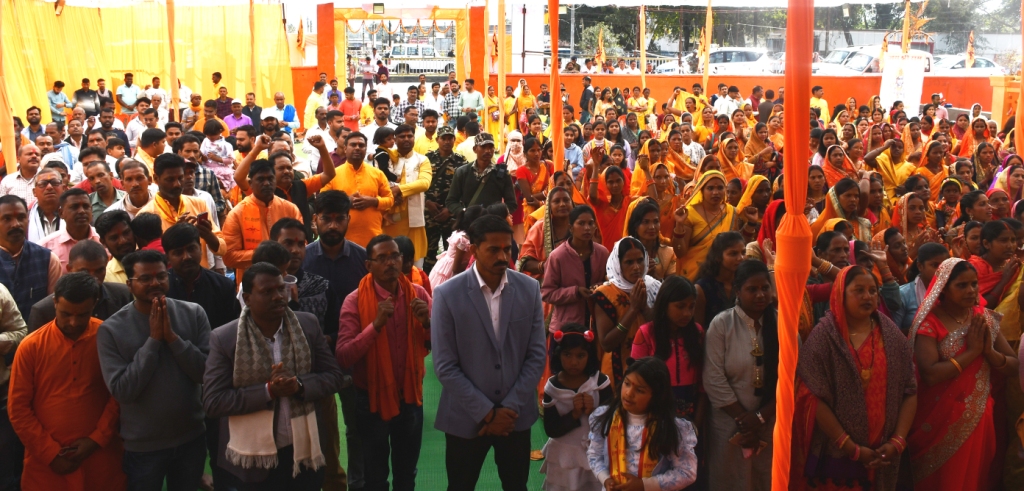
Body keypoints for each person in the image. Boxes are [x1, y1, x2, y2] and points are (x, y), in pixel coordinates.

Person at [203, 262, 346, 490]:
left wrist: (299, 385)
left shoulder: (307, 325)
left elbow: (334, 377)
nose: (278, 296)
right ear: (247, 298)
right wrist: (268, 391)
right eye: (267, 291)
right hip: (253, 463)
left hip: (304, 456)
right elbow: (214, 402)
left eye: (281, 289)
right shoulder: (225, 338)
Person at [431, 214, 546, 490]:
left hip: (514, 418)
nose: (502, 257)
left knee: (516, 486)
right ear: (474, 249)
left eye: (507, 249)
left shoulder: (529, 289)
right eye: (493, 249)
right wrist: (488, 414)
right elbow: (445, 365)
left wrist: (508, 409)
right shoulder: (447, 294)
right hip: (465, 416)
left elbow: (536, 355)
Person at [790, 265, 918, 491]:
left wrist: (897, 441)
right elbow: (811, 396)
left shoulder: (892, 336)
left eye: (872, 291)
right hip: (836, 454)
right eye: (859, 290)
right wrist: (850, 447)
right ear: (841, 293)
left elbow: (910, 390)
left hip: (884, 451)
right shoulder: (824, 338)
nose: (867, 296)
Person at [97, 250, 211, 491]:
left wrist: (173, 339)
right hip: (143, 446)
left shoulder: (193, 313)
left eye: (161, 276)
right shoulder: (111, 330)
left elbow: (205, 374)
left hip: (191, 437)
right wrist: (153, 342)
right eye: (145, 278)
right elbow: (123, 391)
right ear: (129, 284)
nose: (155, 283)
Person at [907, 258, 1019, 490]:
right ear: (943, 289)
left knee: (974, 479)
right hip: (937, 420)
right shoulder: (930, 323)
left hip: (978, 417)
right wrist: (972, 353)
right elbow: (930, 374)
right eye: (962, 285)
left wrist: (989, 353)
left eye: (974, 284)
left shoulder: (984, 318)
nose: (971, 290)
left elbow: (1013, 366)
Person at [8, 273, 127, 490]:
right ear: (55, 302)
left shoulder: (108, 337)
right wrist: (50, 454)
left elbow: (118, 395)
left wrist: (96, 439)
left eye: (82, 315)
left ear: (94, 304)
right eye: (66, 314)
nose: (73, 322)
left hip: (101, 459)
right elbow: (18, 409)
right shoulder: (31, 346)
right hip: (45, 466)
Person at [336, 234, 431, 491]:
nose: (390, 263)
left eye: (395, 256)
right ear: (369, 265)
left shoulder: (418, 294)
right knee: (375, 478)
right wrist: (375, 326)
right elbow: (344, 355)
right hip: (371, 400)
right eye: (382, 258)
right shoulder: (355, 301)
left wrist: (428, 323)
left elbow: (441, 343)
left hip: (410, 397)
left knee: (406, 475)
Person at [703, 260, 778, 490]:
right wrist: (745, 421)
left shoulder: (783, 324)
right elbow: (713, 379)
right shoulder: (721, 325)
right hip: (728, 425)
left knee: (766, 480)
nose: (760, 295)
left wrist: (760, 417)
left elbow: (792, 380)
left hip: (771, 423)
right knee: (729, 481)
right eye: (752, 289)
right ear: (737, 291)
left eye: (765, 288)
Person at [586, 357, 699, 490]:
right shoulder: (605, 417)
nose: (629, 393)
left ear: (657, 396)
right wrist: (606, 479)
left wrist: (644, 485)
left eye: (639, 390)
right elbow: (594, 455)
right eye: (627, 384)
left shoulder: (672, 427)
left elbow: (686, 472)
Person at [540, 322, 611, 491]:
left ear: (589, 355)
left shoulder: (600, 383)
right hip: (564, 456)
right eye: (567, 354)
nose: (573, 362)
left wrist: (594, 411)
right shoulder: (552, 387)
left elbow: (612, 422)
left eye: (581, 355)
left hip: (596, 454)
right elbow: (551, 429)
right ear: (558, 354)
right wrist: (573, 415)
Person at [222, 158, 303, 282]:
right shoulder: (237, 213)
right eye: (260, 179)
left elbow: (302, 244)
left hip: (287, 280)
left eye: (270, 179)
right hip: (252, 285)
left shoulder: (290, 209)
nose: (266, 183)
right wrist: (266, 254)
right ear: (250, 183)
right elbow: (229, 257)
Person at [138, 154, 225, 268]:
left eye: (180, 178)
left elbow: (222, 248)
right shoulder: (146, 215)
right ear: (156, 179)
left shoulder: (199, 204)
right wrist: (174, 235)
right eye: (170, 180)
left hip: (199, 274)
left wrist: (208, 235)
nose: (177, 184)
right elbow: (145, 261)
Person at [594, 237, 660, 387]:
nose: (636, 267)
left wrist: (644, 307)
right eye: (629, 262)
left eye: (640, 260)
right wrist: (633, 310)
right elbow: (606, 344)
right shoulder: (605, 294)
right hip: (617, 368)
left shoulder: (653, 287)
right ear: (618, 265)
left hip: (651, 366)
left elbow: (661, 328)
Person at [28, 240, 132, 332]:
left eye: (99, 270)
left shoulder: (123, 296)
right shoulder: (43, 311)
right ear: (69, 269)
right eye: (84, 271)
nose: (93, 277)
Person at [321, 132, 394, 248]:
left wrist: (373, 201)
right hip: (341, 240)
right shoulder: (333, 175)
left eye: (361, 145)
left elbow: (390, 200)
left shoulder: (377, 174)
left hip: (373, 239)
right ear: (345, 148)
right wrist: (346, 202)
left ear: (366, 149)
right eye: (353, 145)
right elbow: (322, 203)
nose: (357, 148)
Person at [0, 195, 63, 317]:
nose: (16, 224)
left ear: (28, 219)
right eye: (7, 219)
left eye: (21, 217)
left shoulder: (48, 259)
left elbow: (54, 308)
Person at [382, 124, 432, 263]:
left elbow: (424, 183)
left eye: (410, 136)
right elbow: (378, 181)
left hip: (413, 219)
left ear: (414, 138)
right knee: (389, 259)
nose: (406, 139)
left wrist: (399, 190)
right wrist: (391, 194)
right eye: (402, 136)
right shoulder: (386, 157)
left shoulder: (422, 160)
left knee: (414, 263)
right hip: (389, 219)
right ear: (395, 139)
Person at [445, 133, 518, 220]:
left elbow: (512, 203)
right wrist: (464, 212)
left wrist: (498, 214)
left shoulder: (502, 174)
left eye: (491, 147)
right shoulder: (462, 172)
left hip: (493, 223)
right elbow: (451, 201)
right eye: (483, 147)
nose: (488, 151)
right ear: (475, 149)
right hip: (469, 223)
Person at [39, 189, 100, 270]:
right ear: (61, 213)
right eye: (74, 207)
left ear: (91, 210)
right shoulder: (45, 247)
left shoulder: (103, 239)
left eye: (86, 206)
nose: (82, 211)